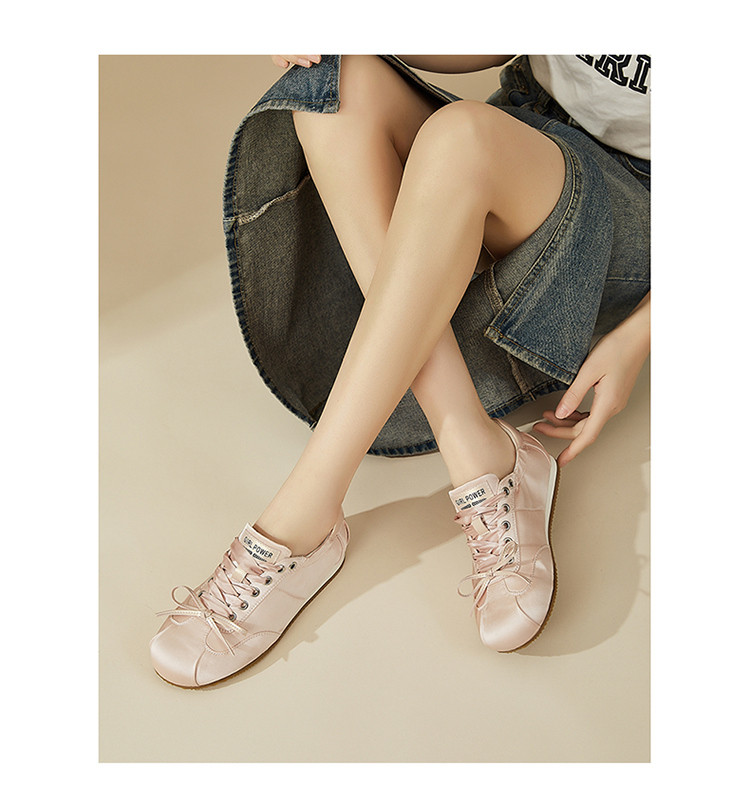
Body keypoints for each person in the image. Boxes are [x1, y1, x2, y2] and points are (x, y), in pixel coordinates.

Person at [150, 54, 650, 687]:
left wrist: (641, 334)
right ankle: (478, 450)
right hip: (525, 129)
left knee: (463, 137)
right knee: (339, 85)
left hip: (643, 201)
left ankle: (301, 516)